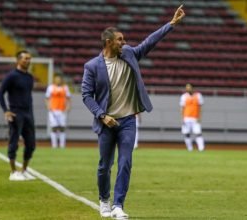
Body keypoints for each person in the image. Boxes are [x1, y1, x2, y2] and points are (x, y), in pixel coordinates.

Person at [81, 5, 185, 219]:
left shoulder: (128, 54)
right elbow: (86, 96)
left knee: (126, 162)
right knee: (104, 166)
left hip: (128, 120)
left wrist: (171, 24)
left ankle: (118, 205)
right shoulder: (91, 66)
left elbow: (149, 42)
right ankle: (104, 200)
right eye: (120, 39)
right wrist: (102, 115)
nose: (124, 42)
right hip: (106, 123)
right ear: (108, 42)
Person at [0, 50, 36, 181]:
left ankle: (24, 171)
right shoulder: (11, 76)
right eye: (25, 59)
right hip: (16, 113)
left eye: (29, 59)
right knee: (14, 142)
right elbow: (0, 93)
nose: (28, 61)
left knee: (31, 144)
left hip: (28, 113)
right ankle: (13, 172)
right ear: (18, 60)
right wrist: (6, 110)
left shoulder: (30, 77)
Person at [45, 74, 71, 149]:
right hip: (53, 110)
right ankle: (54, 145)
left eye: (59, 79)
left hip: (62, 110)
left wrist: (68, 107)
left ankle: (62, 146)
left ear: (61, 80)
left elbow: (68, 98)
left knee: (62, 127)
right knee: (54, 127)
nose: (58, 80)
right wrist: (48, 106)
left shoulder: (65, 87)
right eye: (57, 79)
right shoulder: (50, 87)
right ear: (54, 80)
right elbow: (46, 98)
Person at [180, 83, 205, 151]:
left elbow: (200, 108)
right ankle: (190, 148)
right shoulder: (183, 96)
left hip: (195, 118)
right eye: (186, 87)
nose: (187, 89)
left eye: (189, 87)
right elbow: (182, 108)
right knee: (186, 133)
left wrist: (199, 117)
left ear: (193, 88)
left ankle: (201, 148)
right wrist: (182, 118)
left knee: (198, 133)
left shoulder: (198, 96)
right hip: (186, 117)